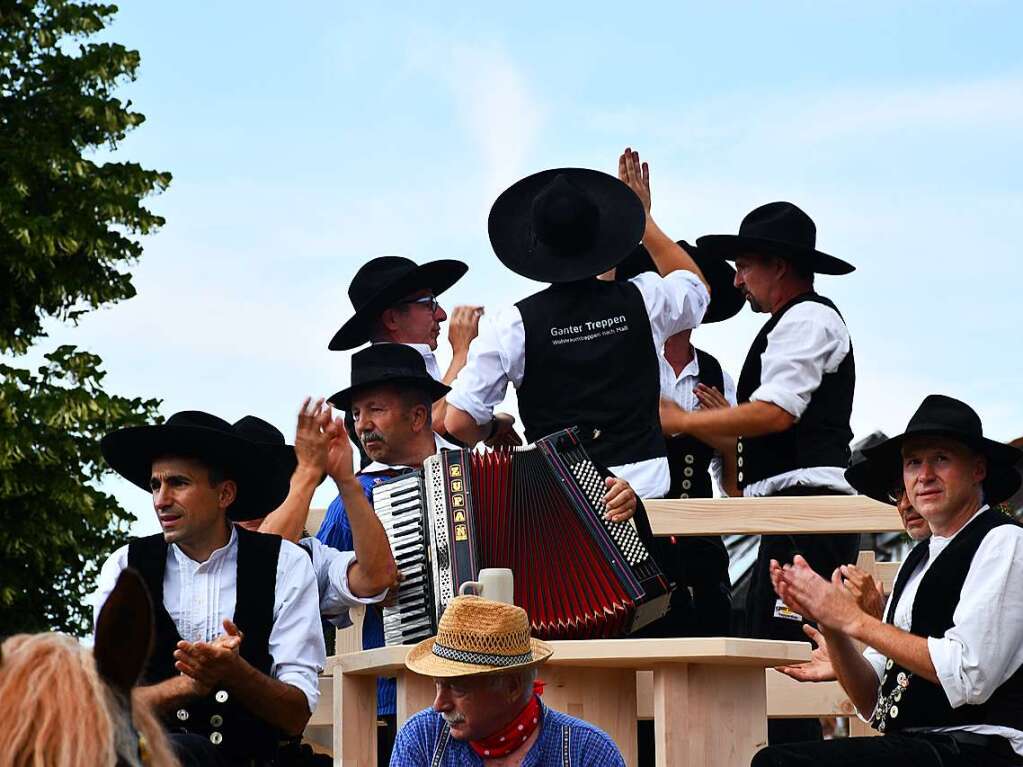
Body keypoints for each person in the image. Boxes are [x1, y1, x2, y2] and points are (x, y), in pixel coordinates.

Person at [317, 343, 637, 763]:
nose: (363, 426)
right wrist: (375, 582)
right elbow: (320, 592)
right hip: (401, 691)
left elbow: (562, 545)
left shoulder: (488, 468)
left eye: (374, 410)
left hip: (523, 689)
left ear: (417, 417)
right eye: (356, 414)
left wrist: (621, 504)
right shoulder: (354, 500)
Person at [658, 200, 857, 742]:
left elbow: (778, 411)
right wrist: (721, 432)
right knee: (769, 649)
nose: (739, 280)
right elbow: (745, 476)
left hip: (809, 511)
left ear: (780, 266)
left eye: (746, 266)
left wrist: (685, 420)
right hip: (786, 515)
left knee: (790, 656)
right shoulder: (785, 325)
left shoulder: (810, 318)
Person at [756, 394, 1023, 767]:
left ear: (978, 470)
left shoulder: (1004, 541)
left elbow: (968, 675)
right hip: (922, 747)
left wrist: (856, 621)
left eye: (940, 459)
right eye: (913, 463)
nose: (923, 475)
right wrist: (832, 627)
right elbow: (873, 702)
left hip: (983, 748)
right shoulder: (917, 562)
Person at [445, 149, 711, 500]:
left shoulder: (512, 325)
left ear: (536, 245)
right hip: (646, 501)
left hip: (562, 503)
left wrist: (495, 427)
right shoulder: (644, 299)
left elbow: (457, 423)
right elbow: (697, 288)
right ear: (602, 237)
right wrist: (644, 221)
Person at [96, 411, 326, 767]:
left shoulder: (286, 564)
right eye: (155, 485)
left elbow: (296, 714)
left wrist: (236, 673)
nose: (160, 499)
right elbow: (104, 705)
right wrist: (188, 686)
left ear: (224, 494)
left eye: (179, 483)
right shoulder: (125, 567)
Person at [391, 595, 626, 766]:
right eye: (438, 684)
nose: (439, 704)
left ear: (512, 686)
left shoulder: (587, 752)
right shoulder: (421, 738)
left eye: (458, 688)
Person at [229, 406, 397, 628]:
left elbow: (375, 578)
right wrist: (308, 470)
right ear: (223, 495)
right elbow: (258, 569)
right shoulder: (188, 554)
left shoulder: (308, 558)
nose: (253, 505)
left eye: (266, 490)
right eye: (243, 491)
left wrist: (346, 481)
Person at [327, 254, 512, 445]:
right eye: (429, 304)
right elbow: (434, 428)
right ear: (392, 319)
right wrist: (462, 352)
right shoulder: (376, 385)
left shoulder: (416, 366)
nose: (441, 315)